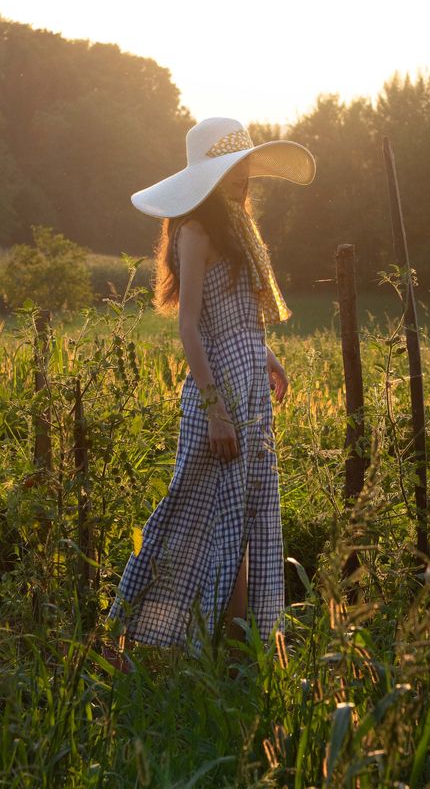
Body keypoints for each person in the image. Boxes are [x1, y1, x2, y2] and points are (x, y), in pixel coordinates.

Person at [104, 117, 315, 669]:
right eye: (231, 170)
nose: (243, 178)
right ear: (209, 177)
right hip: (218, 395)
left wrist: (266, 356)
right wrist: (215, 409)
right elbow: (191, 326)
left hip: (250, 391)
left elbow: (239, 315)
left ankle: (242, 657)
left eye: (244, 167)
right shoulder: (196, 231)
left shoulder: (237, 227)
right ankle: (133, 642)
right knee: (189, 518)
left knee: (245, 524)